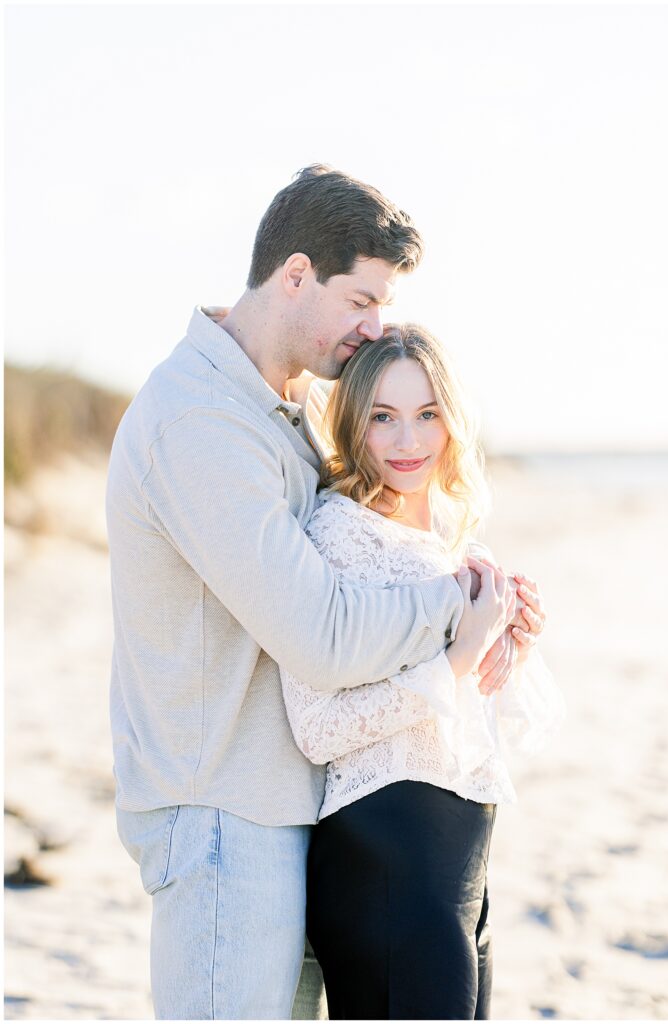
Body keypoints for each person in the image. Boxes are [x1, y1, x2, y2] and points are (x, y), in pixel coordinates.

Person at [107, 165, 538, 1020]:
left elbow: (371, 540)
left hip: (294, 808)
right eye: (359, 300)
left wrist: (493, 596)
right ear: (294, 274)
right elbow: (323, 632)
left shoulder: (285, 405)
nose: (374, 326)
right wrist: (459, 606)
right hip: (221, 812)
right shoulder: (201, 422)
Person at [280, 323, 565, 1020]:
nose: (407, 442)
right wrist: (458, 655)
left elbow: (487, 721)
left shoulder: (454, 546)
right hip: (385, 861)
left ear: (451, 421)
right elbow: (318, 729)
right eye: (383, 417)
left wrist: (510, 646)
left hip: (459, 865)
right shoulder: (335, 537)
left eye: (426, 414)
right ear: (353, 423)